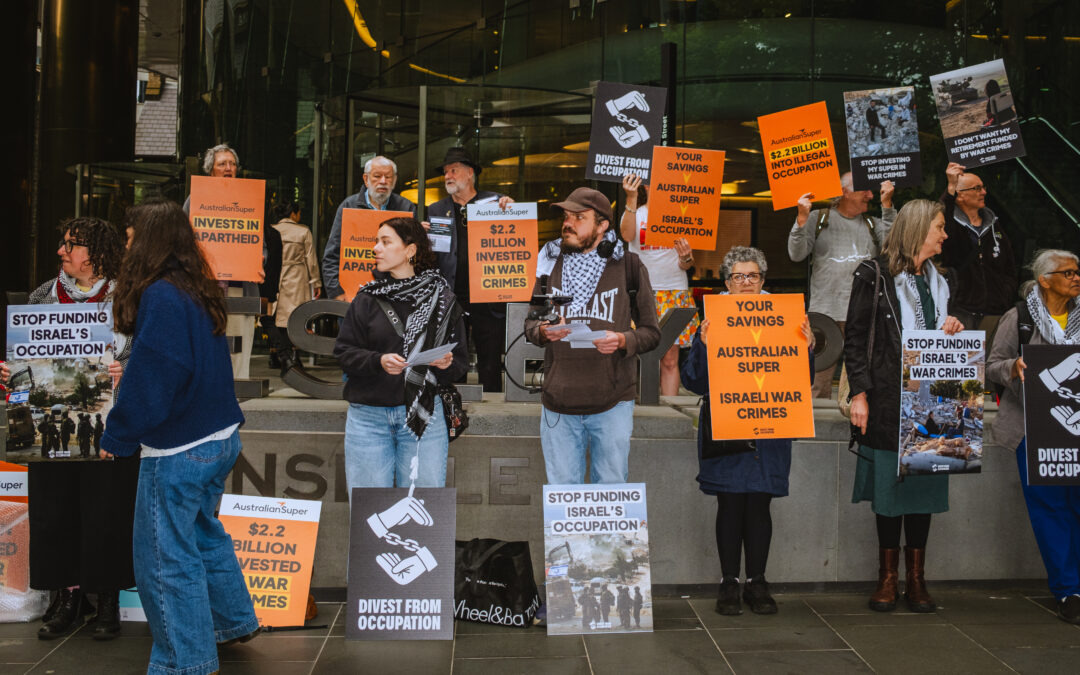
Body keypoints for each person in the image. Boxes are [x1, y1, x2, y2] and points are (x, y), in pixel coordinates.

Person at [102, 199, 258, 675]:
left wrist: (119, 433)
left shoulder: (162, 295)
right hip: (217, 437)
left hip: (180, 448)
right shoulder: (192, 287)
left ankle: (183, 661)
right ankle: (230, 622)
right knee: (202, 534)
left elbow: (157, 377)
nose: (126, 244)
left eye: (130, 236)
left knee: (165, 560)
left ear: (147, 240)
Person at [0, 216, 134, 640]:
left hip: (108, 426)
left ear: (96, 254)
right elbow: (21, 353)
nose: (61, 251)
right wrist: (12, 372)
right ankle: (68, 598)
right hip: (49, 428)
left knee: (105, 512)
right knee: (55, 513)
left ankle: (107, 601)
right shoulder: (43, 295)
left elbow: (145, 352)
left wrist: (123, 369)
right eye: (63, 243)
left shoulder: (128, 298)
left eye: (71, 245)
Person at [680, 246, 815, 616]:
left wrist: (807, 347)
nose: (745, 282)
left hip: (770, 426)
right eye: (738, 276)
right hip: (726, 424)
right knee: (729, 503)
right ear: (726, 282)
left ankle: (758, 582)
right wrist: (704, 346)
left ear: (763, 281)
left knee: (759, 503)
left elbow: (803, 379)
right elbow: (692, 381)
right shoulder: (712, 319)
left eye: (752, 276)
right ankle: (728, 582)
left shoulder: (787, 318)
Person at [845, 199, 964, 614]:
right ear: (917, 229)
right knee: (889, 491)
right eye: (939, 227)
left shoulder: (942, 280)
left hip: (935, 399)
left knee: (924, 486)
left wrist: (952, 326)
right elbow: (855, 339)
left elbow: (943, 336)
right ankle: (888, 578)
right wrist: (858, 394)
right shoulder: (874, 274)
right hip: (887, 398)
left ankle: (916, 579)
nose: (945, 235)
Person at [524, 187, 660, 484]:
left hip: (612, 403)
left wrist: (623, 340)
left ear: (602, 226)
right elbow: (530, 325)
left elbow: (651, 333)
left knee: (611, 499)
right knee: (563, 501)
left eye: (579, 217)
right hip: (558, 402)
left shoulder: (629, 266)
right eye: (566, 216)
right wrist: (544, 332)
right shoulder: (548, 262)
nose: (568, 223)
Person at [333, 217, 468, 490]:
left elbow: (461, 364)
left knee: (423, 513)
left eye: (385, 242)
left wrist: (444, 364)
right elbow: (343, 353)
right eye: (376, 241)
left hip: (425, 416)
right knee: (369, 514)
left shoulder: (443, 299)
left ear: (410, 250)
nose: (375, 248)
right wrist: (377, 361)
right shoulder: (366, 298)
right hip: (368, 418)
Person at [987, 249, 1080, 624]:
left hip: (1076, 427)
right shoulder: (1020, 317)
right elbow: (993, 365)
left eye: (1078, 272)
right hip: (1034, 430)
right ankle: (1069, 590)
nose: (1076, 278)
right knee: (1051, 510)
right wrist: (1014, 367)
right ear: (1045, 280)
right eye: (1068, 272)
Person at [788, 173, 895, 398]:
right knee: (817, 382)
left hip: (864, 315)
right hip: (825, 315)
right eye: (864, 190)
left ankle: (857, 427)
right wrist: (801, 219)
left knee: (863, 383)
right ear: (844, 192)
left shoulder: (871, 223)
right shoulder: (818, 218)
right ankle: (814, 430)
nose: (870, 194)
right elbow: (796, 254)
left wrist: (887, 207)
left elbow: (894, 249)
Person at [427, 147, 514, 393]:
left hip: (487, 294)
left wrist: (513, 210)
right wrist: (421, 237)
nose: (447, 176)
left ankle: (495, 409)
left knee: (490, 356)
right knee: (453, 357)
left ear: (470, 174)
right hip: (452, 295)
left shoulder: (495, 203)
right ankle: (454, 404)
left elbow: (514, 231)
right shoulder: (436, 210)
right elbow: (431, 257)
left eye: (453, 170)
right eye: (445, 172)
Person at [620, 173, 699, 396]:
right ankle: (635, 410)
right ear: (646, 184)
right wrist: (631, 198)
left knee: (670, 359)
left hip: (673, 291)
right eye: (654, 181)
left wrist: (685, 258)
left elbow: (689, 263)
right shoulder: (636, 212)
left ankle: (670, 412)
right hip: (641, 292)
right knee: (635, 354)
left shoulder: (682, 216)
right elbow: (626, 235)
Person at [940, 162, 1017, 346]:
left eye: (983, 187)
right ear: (960, 196)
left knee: (991, 366)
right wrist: (950, 186)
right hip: (960, 313)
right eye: (977, 188)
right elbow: (942, 213)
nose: (983, 192)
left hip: (995, 312)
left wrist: (1005, 295)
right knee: (963, 369)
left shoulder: (994, 225)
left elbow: (1010, 267)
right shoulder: (949, 226)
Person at [322, 156, 417, 301]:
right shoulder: (349, 206)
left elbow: (413, 256)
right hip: (353, 298)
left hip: (393, 298)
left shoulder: (406, 207)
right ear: (366, 179)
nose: (383, 181)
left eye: (388, 177)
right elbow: (331, 255)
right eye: (377, 176)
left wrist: (420, 236)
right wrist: (336, 292)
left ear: (395, 180)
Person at [267, 200, 321, 372]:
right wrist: (316, 282)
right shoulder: (303, 231)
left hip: (275, 274)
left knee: (274, 316)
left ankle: (276, 354)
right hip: (297, 275)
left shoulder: (271, 229)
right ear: (293, 214)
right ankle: (292, 356)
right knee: (294, 317)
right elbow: (311, 260)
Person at [182, 143, 239, 214]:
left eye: (232, 164)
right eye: (222, 164)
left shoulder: (246, 196)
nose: (228, 168)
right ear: (210, 170)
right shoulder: (196, 198)